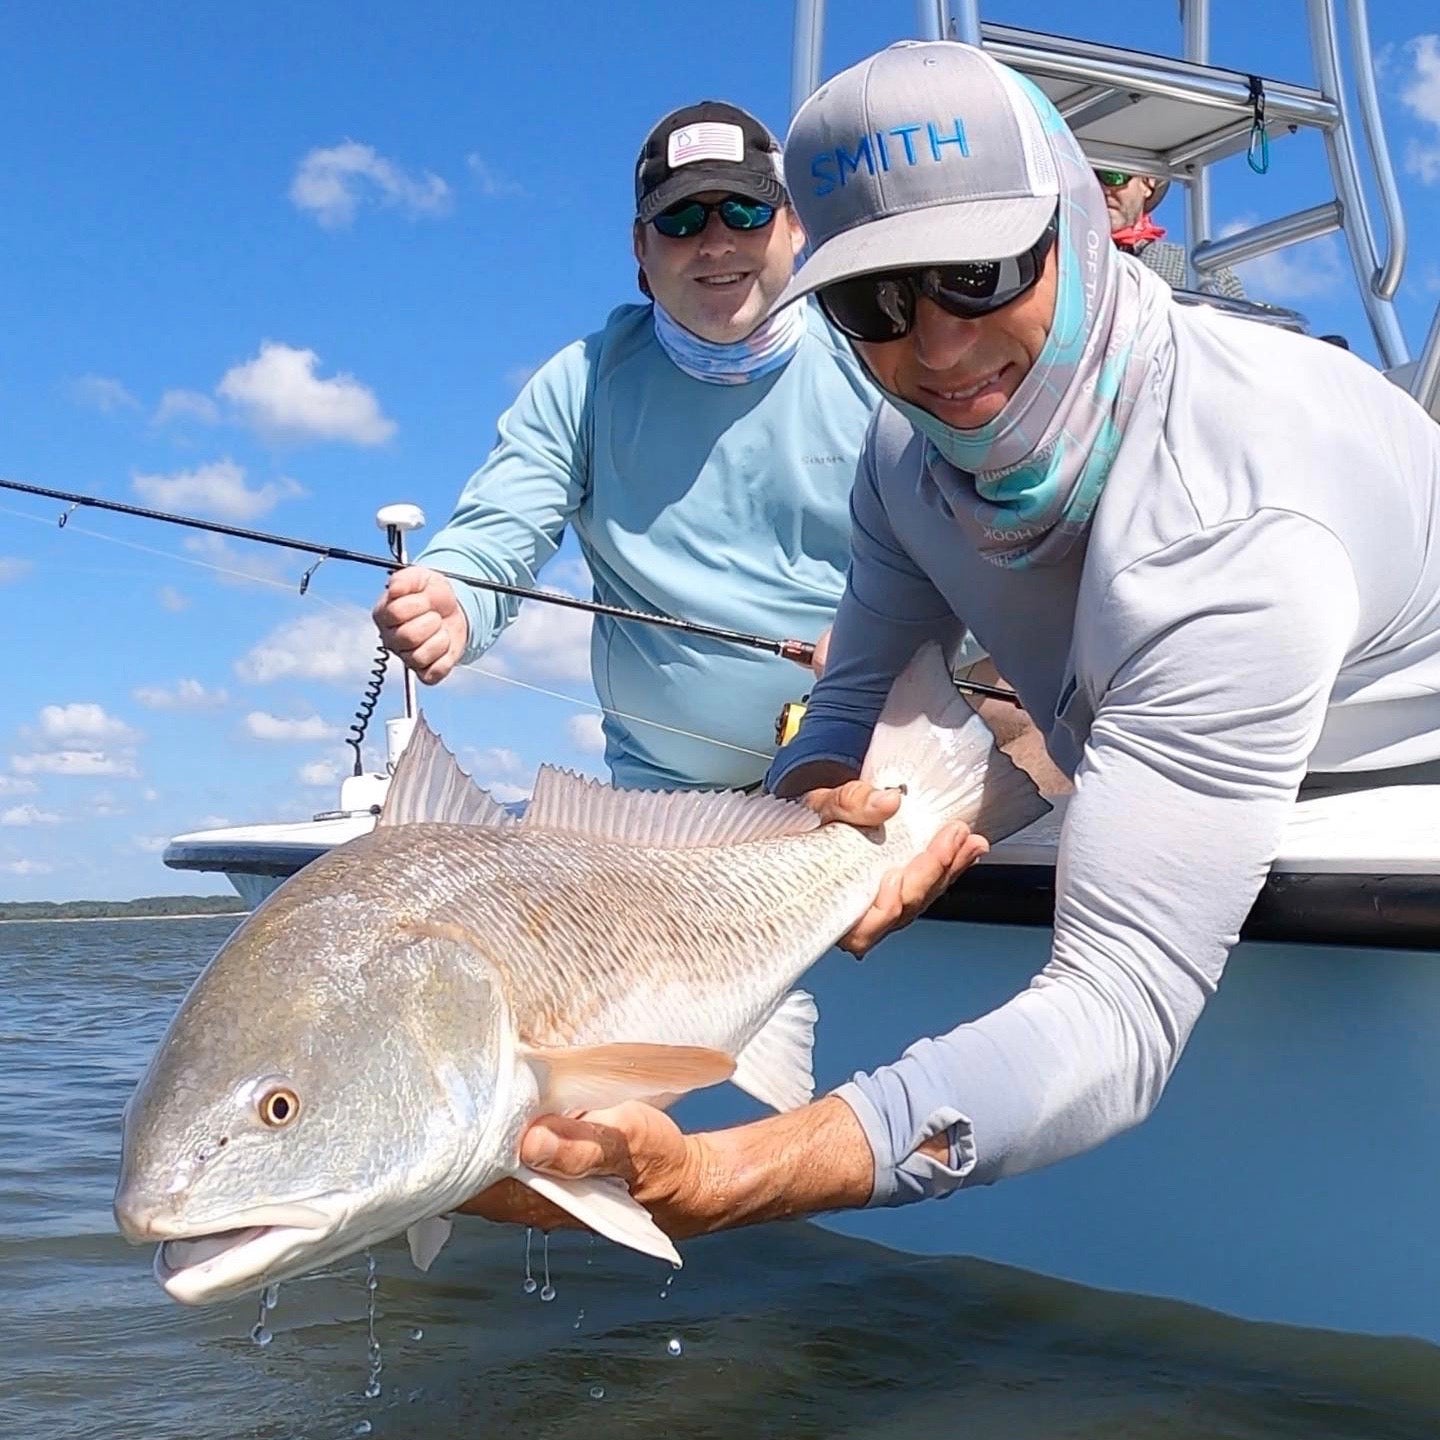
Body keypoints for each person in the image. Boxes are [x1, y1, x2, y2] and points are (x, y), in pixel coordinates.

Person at [459, 41, 1440, 1240]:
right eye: (873, 300)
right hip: (1146, 742)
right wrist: (823, 805)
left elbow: (1120, 1015)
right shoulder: (902, 454)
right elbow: (848, 702)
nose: (935, 347)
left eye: (977, 272)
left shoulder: (1228, 515)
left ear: (1080, 226)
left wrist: (718, 1177)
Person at [372, 101, 882, 792]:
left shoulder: (879, 355)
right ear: (640, 249)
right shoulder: (581, 383)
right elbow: (498, 535)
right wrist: (455, 599)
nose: (714, 242)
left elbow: (969, 551)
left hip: (884, 761)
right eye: (679, 219)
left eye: (744, 211)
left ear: (795, 228)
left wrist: (888, 649)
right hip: (669, 807)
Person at [1094, 166, 1246, 298]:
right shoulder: (1071, 260)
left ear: (1147, 184)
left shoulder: (1195, 268)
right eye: (1090, 178)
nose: (1102, 189)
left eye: (1112, 176)